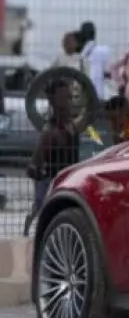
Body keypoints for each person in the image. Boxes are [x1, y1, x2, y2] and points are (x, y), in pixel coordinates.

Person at [23, 78, 79, 236]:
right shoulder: (50, 131)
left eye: (69, 98)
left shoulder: (74, 125)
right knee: (42, 209)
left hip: (69, 177)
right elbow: (35, 163)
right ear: (53, 102)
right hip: (51, 179)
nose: (67, 103)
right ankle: (29, 232)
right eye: (62, 99)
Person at [77, 21, 110, 101]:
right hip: (101, 94)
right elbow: (108, 73)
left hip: (87, 94)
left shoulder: (80, 55)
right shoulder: (104, 50)